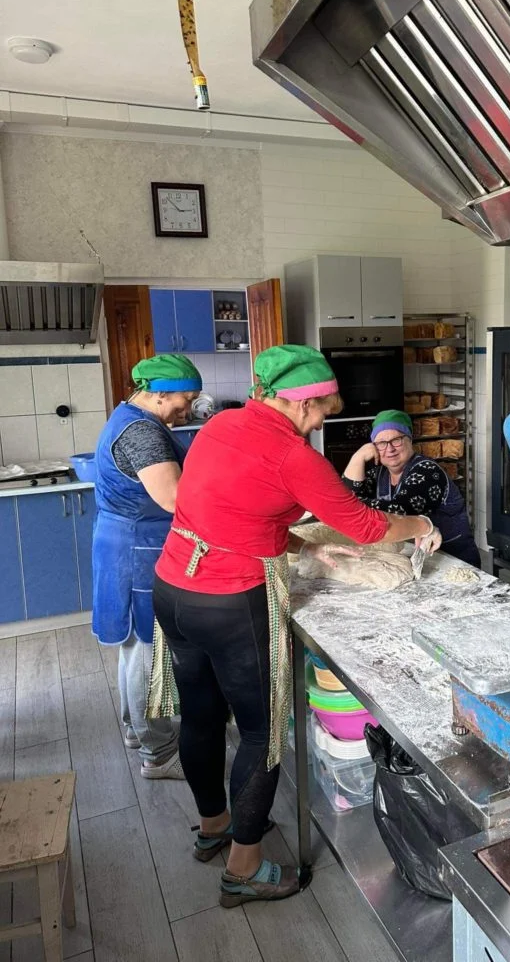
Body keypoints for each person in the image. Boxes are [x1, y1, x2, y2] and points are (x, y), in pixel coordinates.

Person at [153, 345, 441, 907]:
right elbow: (362, 525)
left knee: (203, 713)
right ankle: (244, 867)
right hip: (231, 601)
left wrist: (285, 539)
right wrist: (421, 522)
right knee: (261, 732)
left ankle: (214, 827)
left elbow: (218, 503)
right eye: (323, 410)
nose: (324, 419)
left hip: (174, 587)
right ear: (304, 403)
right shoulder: (293, 456)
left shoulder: (220, 425)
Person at [92, 352, 202, 780]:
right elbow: (174, 500)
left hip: (123, 544)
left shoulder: (127, 417)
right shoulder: (143, 433)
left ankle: (136, 732)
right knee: (148, 652)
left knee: (132, 648)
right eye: (184, 399)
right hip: (139, 552)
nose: (188, 410)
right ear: (159, 394)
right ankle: (158, 754)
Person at [343, 409, 481, 568]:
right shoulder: (379, 473)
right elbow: (346, 497)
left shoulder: (428, 472)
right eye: (381, 443)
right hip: (416, 561)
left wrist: (349, 507)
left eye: (397, 440)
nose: (390, 449)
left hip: (452, 561)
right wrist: (358, 458)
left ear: (410, 440)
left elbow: (400, 511)